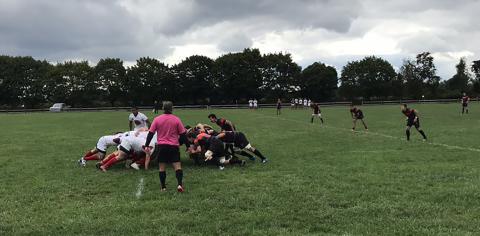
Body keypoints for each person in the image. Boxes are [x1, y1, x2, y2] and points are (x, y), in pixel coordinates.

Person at [144, 101, 187, 192]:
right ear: (172, 108)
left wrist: (146, 145)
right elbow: (183, 135)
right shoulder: (176, 119)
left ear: (163, 108)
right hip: (173, 146)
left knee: (162, 168)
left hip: (162, 146)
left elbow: (150, 133)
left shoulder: (157, 119)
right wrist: (187, 145)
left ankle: (163, 187)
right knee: (177, 166)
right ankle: (179, 185)